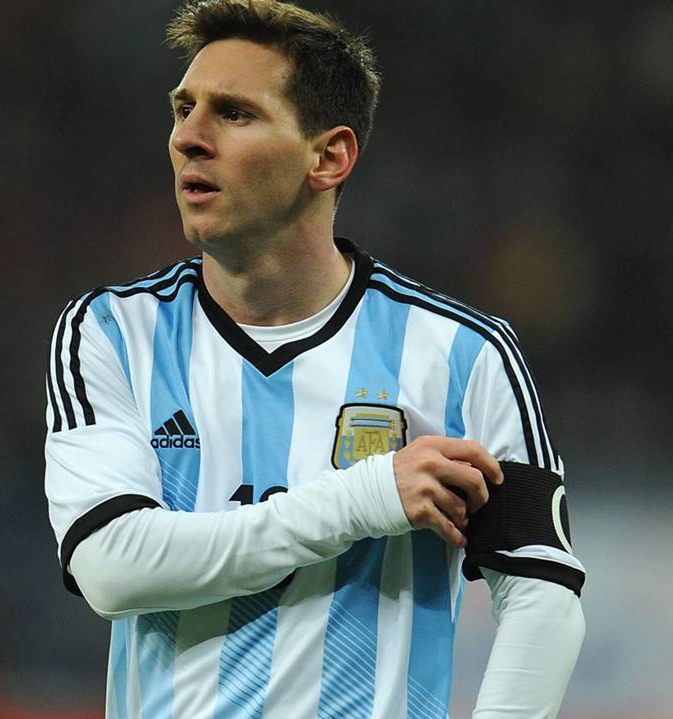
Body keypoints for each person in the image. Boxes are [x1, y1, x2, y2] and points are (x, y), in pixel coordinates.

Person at [42, 1, 585, 717]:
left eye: (234, 113)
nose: (189, 138)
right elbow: (109, 566)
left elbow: (543, 598)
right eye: (183, 108)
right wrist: (365, 498)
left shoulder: (463, 353)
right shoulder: (112, 332)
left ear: (328, 157)